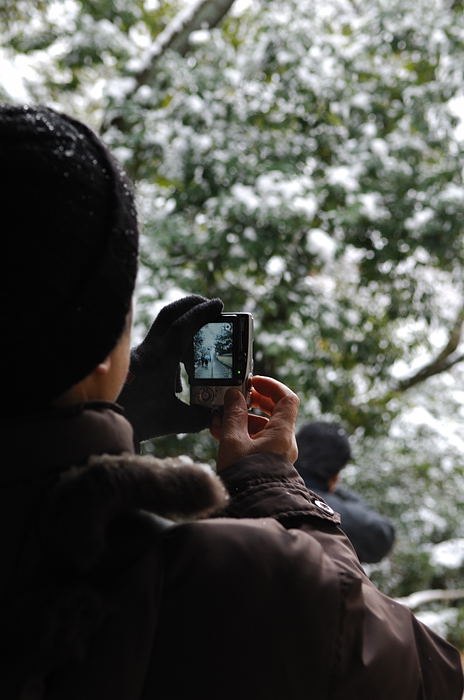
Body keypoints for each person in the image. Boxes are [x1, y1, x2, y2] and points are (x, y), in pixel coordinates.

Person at [0, 104, 462, 700]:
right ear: (99, 344)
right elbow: (419, 673)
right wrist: (268, 483)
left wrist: (120, 410)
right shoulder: (212, 577)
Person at [295, 421, 395, 563]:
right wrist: (336, 490)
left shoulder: (264, 481)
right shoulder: (332, 512)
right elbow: (383, 533)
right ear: (335, 476)